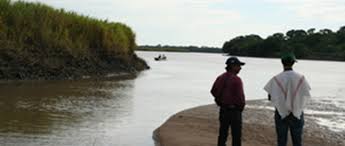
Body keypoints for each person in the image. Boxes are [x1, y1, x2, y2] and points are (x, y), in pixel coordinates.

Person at [264, 53, 311, 146]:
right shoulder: (301, 78)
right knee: (297, 141)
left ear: (282, 63)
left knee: (281, 141)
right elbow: (306, 94)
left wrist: (281, 99)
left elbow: (270, 97)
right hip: (297, 112)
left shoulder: (276, 78)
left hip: (281, 112)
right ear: (293, 63)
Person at [211, 56, 246, 146]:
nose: (240, 68)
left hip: (223, 109)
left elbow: (213, 91)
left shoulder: (221, 77)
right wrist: (241, 108)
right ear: (233, 66)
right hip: (234, 111)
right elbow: (240, 97)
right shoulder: (237, 79)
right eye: (238, 66)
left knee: (223, 133)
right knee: (236, 135)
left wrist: (218, 100)